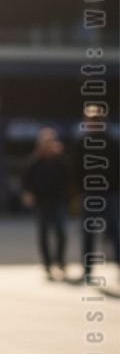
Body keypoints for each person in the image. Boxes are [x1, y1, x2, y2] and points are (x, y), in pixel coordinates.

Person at [71, 106, 120, 281]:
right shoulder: (83, 142)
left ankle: (90, 270)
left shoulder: (111, 142)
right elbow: (76, 169)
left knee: (112, 232)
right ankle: (88, 270)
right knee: (93, 232)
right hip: (94, 193)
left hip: (107, 194)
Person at [21, 127, 71, 280]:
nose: (48, 145)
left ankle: (60, 261)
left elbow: (68, 179)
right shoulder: (34, 161)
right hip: (42, 203)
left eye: (50, 142)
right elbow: (26, 181)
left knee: (61, 234)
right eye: (45, 142)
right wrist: (28, 194)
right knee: (43, 235)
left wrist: (68, 196)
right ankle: (47, 264)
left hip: (58, 202)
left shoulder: (60, 160)